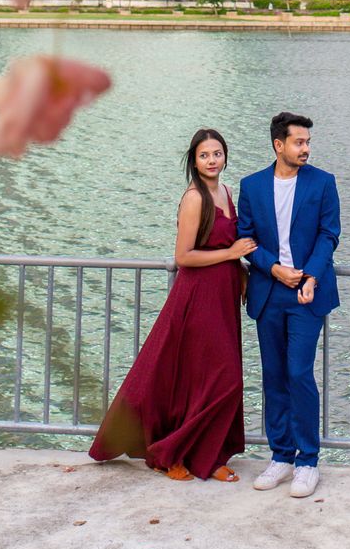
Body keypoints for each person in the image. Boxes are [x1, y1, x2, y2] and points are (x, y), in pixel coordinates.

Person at [89, 128, 255, 482]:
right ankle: (168, 453)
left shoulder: (225, 191)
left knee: (203, 379)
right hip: (198, 296)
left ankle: (209, 457)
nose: (212, 160)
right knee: (223, 379)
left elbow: (227, 246)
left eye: (217, 154)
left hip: (223, 295)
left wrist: (240, 270)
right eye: (204, 155)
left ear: (225, 156)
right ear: (194, 161)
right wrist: (231, 254)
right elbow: (184, 256)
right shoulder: (195, 197)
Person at [237, 111, 341, 499]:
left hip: (307, 293)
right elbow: (246, 238)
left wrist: (310, 275)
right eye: (299, 142)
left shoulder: (323, 183)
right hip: (269, 290)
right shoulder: (253, 186)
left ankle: (308, 461)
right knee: (273, 375)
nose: (306, 149)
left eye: (308, 142)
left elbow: (329, 234)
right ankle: (280, 455)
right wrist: (275, 269)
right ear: (279, 145)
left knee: (299, 374)